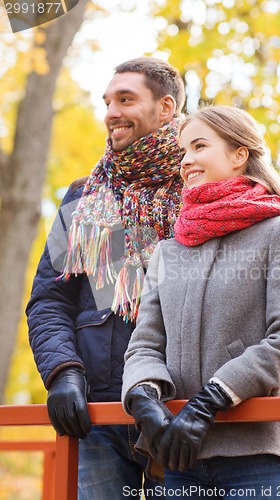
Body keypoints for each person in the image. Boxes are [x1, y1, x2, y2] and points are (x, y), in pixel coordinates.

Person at [121, 105, 280, 499]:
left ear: (238, 155)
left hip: (257, 454)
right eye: (183, 151)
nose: (186, 160)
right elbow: (144, 344)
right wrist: (143, 395)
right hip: (178, 457)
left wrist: (213, 398)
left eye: (199, 146)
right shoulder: (168, 250)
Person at [26, 56, 185, 499]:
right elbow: (50, 300)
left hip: (177, 410)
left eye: (126, 99)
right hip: (95, 416)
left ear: (166, 107)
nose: (111, 112)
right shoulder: (84, 196)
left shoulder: (202, 183)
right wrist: (62, 373)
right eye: (107, 101)